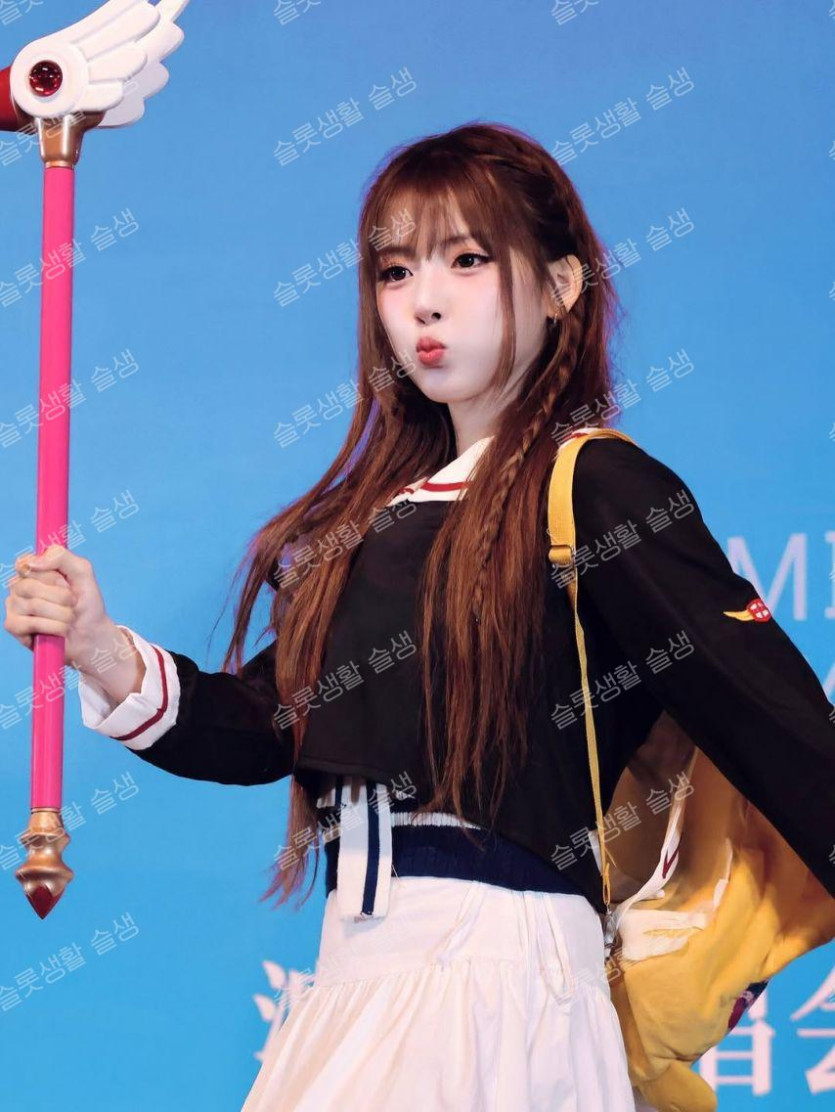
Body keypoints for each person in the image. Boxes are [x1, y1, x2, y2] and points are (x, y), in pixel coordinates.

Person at [6, 122, 834, 1112]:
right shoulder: (370, 524)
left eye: (466, 260)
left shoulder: (594, 485)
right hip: (354, 971)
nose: (422, 301)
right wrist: (97, 646)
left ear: (561, 285)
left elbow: (775, 721)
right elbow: (265, 725)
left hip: (502, 974)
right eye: (395, 271)